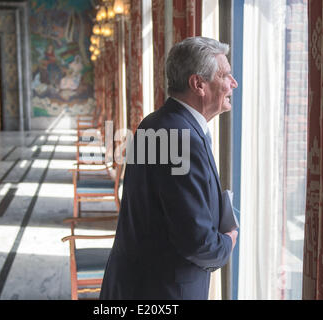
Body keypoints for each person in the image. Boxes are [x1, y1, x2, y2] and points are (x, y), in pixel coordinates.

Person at [100, 37, 239, 300]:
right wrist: (228, 241)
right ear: (198, 84)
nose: (233, 83)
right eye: (226, 75)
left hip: (134, 283)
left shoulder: (154, 123)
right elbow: (197, 241)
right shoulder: (182, 139)